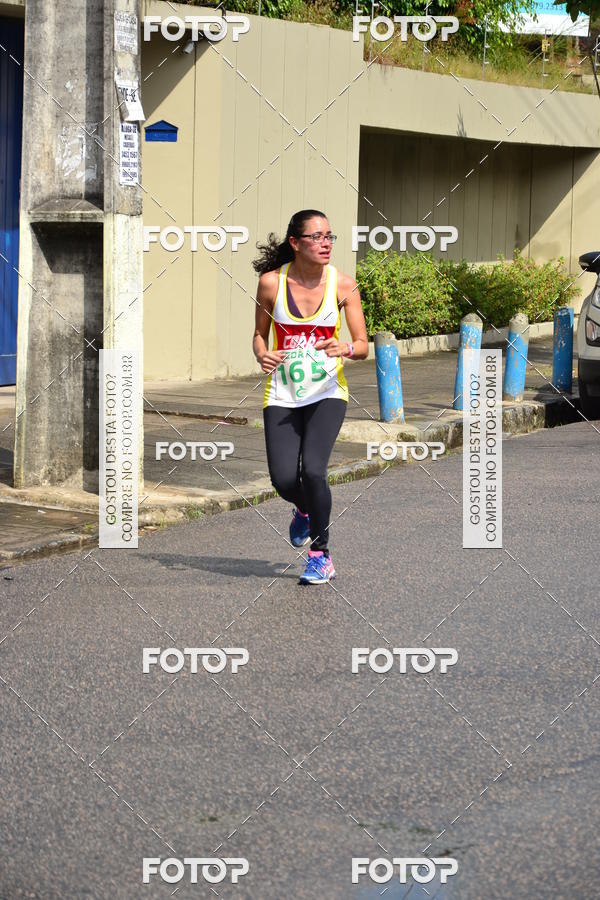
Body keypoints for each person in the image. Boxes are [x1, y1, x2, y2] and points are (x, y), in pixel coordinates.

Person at [252, 209, 368, 584]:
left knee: (314, 471)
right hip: (283, 394)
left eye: (329, 236)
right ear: (295, 243)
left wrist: (345, 348)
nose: (325, 243)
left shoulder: (343, 285)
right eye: (316, 237)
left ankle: (321, 555)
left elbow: (363, 345)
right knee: (284, 480)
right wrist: (261, 354)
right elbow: (259, 335)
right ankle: (303, 509)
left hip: (327, 393)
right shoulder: (271, 284)